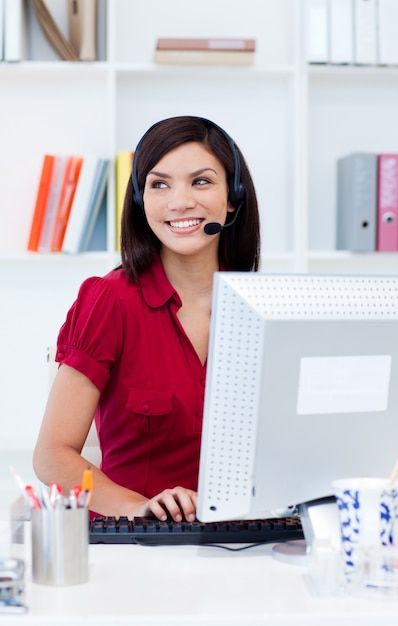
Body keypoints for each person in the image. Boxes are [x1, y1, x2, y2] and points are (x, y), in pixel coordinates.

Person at [33, 115, 261, 521]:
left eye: (201, 181)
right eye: (159, 184)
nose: (179, 202)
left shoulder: (265, 307)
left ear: (233, 197)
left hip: (245, 534)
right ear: (141, 201)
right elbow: (52, 456)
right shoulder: (110, 301)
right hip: (138, 543)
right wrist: (138, 507)